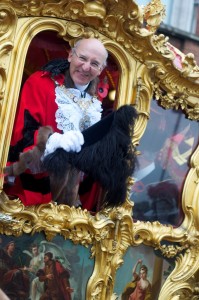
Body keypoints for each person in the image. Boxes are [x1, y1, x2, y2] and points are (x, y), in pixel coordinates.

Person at [4, 37, 138, 210]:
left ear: (101, 70)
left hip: (78, 203)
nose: (86, 67)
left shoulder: (98, 101)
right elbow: (20, 135)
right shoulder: (41, 83)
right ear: (70, 56)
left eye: (94, 63)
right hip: (34, 195)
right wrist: (54, 142)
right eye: (82, 58)